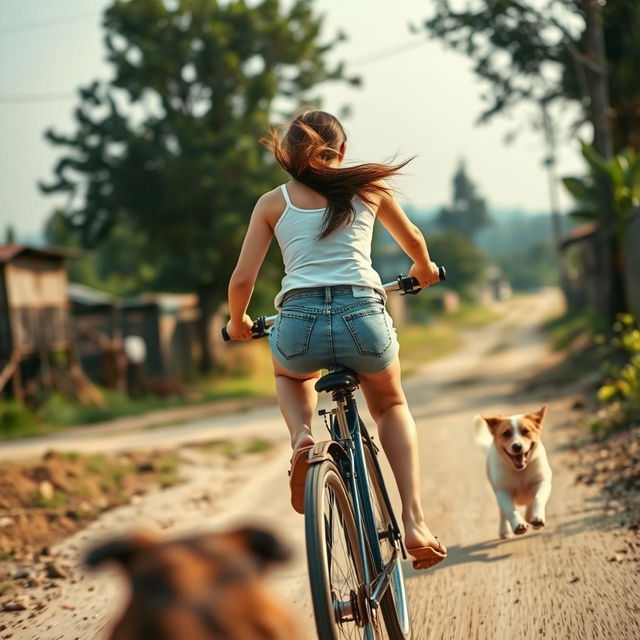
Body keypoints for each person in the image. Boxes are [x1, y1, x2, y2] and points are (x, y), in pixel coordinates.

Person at [225, 110, 446, 569]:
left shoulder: (272, 202)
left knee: (290, 376)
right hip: (362, 317)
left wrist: (239, 322)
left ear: (287, 157)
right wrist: (422, 272)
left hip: (297, 322)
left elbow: (242, 279)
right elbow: (415, 241)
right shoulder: (369, 189)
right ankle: (414, 522)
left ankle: (303, 439)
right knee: (390, 406)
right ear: (341, 152)